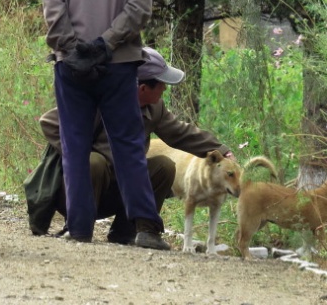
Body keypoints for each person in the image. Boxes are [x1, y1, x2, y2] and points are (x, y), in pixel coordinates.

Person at [40, 0, 164, 248]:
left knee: (74, 142)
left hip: (70, 65)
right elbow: (139, 10)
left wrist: (78, 50)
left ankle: (79, 229)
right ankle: (145, 227)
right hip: (121, 63)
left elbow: (53, 12)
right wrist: (106, 45)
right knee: (128, 143)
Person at [24, 47, 236, 245]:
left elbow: (181, 133)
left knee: (164, 166)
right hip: (78, 189)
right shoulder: (98, 99)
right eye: (161, 83)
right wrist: (77, 153)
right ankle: (79, 226)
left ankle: (134, 231)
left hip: (120, 188)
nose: (164, 88)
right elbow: (48, 122)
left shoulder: (154, 108)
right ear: (143, 88)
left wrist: (222, 149)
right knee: (93, 162)